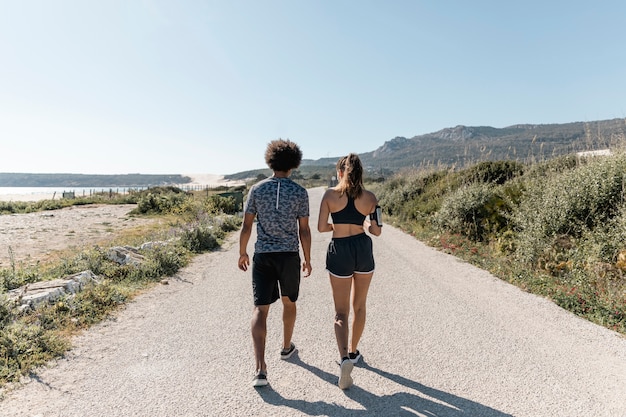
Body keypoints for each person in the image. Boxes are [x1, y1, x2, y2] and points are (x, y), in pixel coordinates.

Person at [238, 139, 312, 388]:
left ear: (270, 160)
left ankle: (260, 368)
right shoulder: (300, 192)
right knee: (289, 302)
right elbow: (304, 230)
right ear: (294, 163)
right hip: (289, 255)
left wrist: (242, 252)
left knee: (260, 308)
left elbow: (247, 225)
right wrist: (308, 258)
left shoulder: (257, 190)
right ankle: (286, 347)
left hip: (263, 256)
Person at [317, 153, 382, 390]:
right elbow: (376, 231)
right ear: (361, 173)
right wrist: (361, 223)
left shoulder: (329, 195)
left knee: (340, 312)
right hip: (362, 249)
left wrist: (340, 224)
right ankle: (354, 352)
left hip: (340, 250)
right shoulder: (371, 198)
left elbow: (322, 227)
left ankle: (344, 358)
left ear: (340, 172)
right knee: (360, 306)